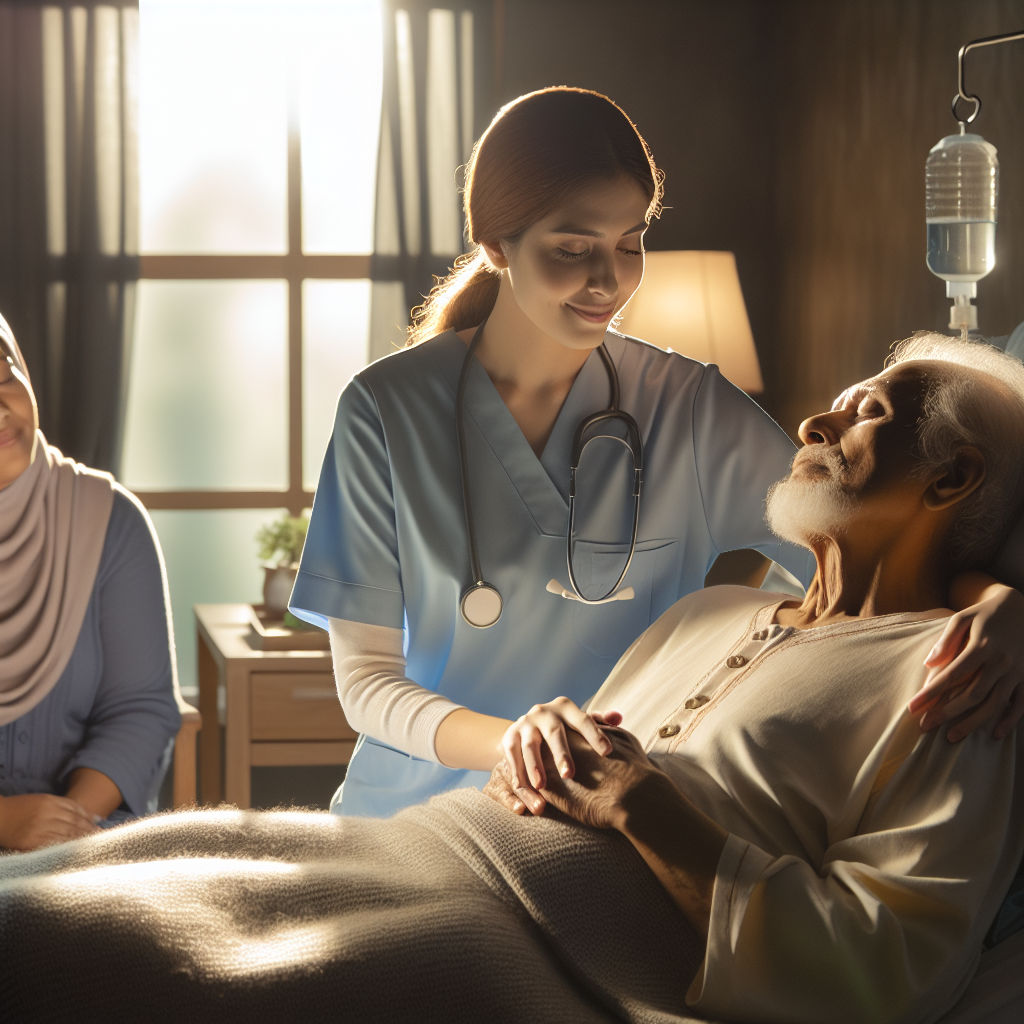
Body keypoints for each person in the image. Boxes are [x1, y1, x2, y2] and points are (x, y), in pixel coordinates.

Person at [1, 333, 1019, 1024]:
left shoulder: (963, 684)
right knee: (102, 871)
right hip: (419, 846)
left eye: (864, 413)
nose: (809, 424)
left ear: (952, 476)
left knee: (68, 952)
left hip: (539, 952)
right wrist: (537, 738)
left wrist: (645, 804)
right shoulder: (711, 614)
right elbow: (579, 761)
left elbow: (889, 968)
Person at [291, 86, 1024, 818]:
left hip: (598, 830)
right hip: (404, 813)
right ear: (494, 244)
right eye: (573, 249)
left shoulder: (690, 407)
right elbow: (367, 685)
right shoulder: (385, 409)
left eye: (631, 243)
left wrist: (1002, 607)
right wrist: (521, 739)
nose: (608, 280)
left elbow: (864, 557)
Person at [0, 315, 180, 851]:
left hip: (80, 837)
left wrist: (65, 826)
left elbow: (140, 709)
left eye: (5, 375)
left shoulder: (108, 519)